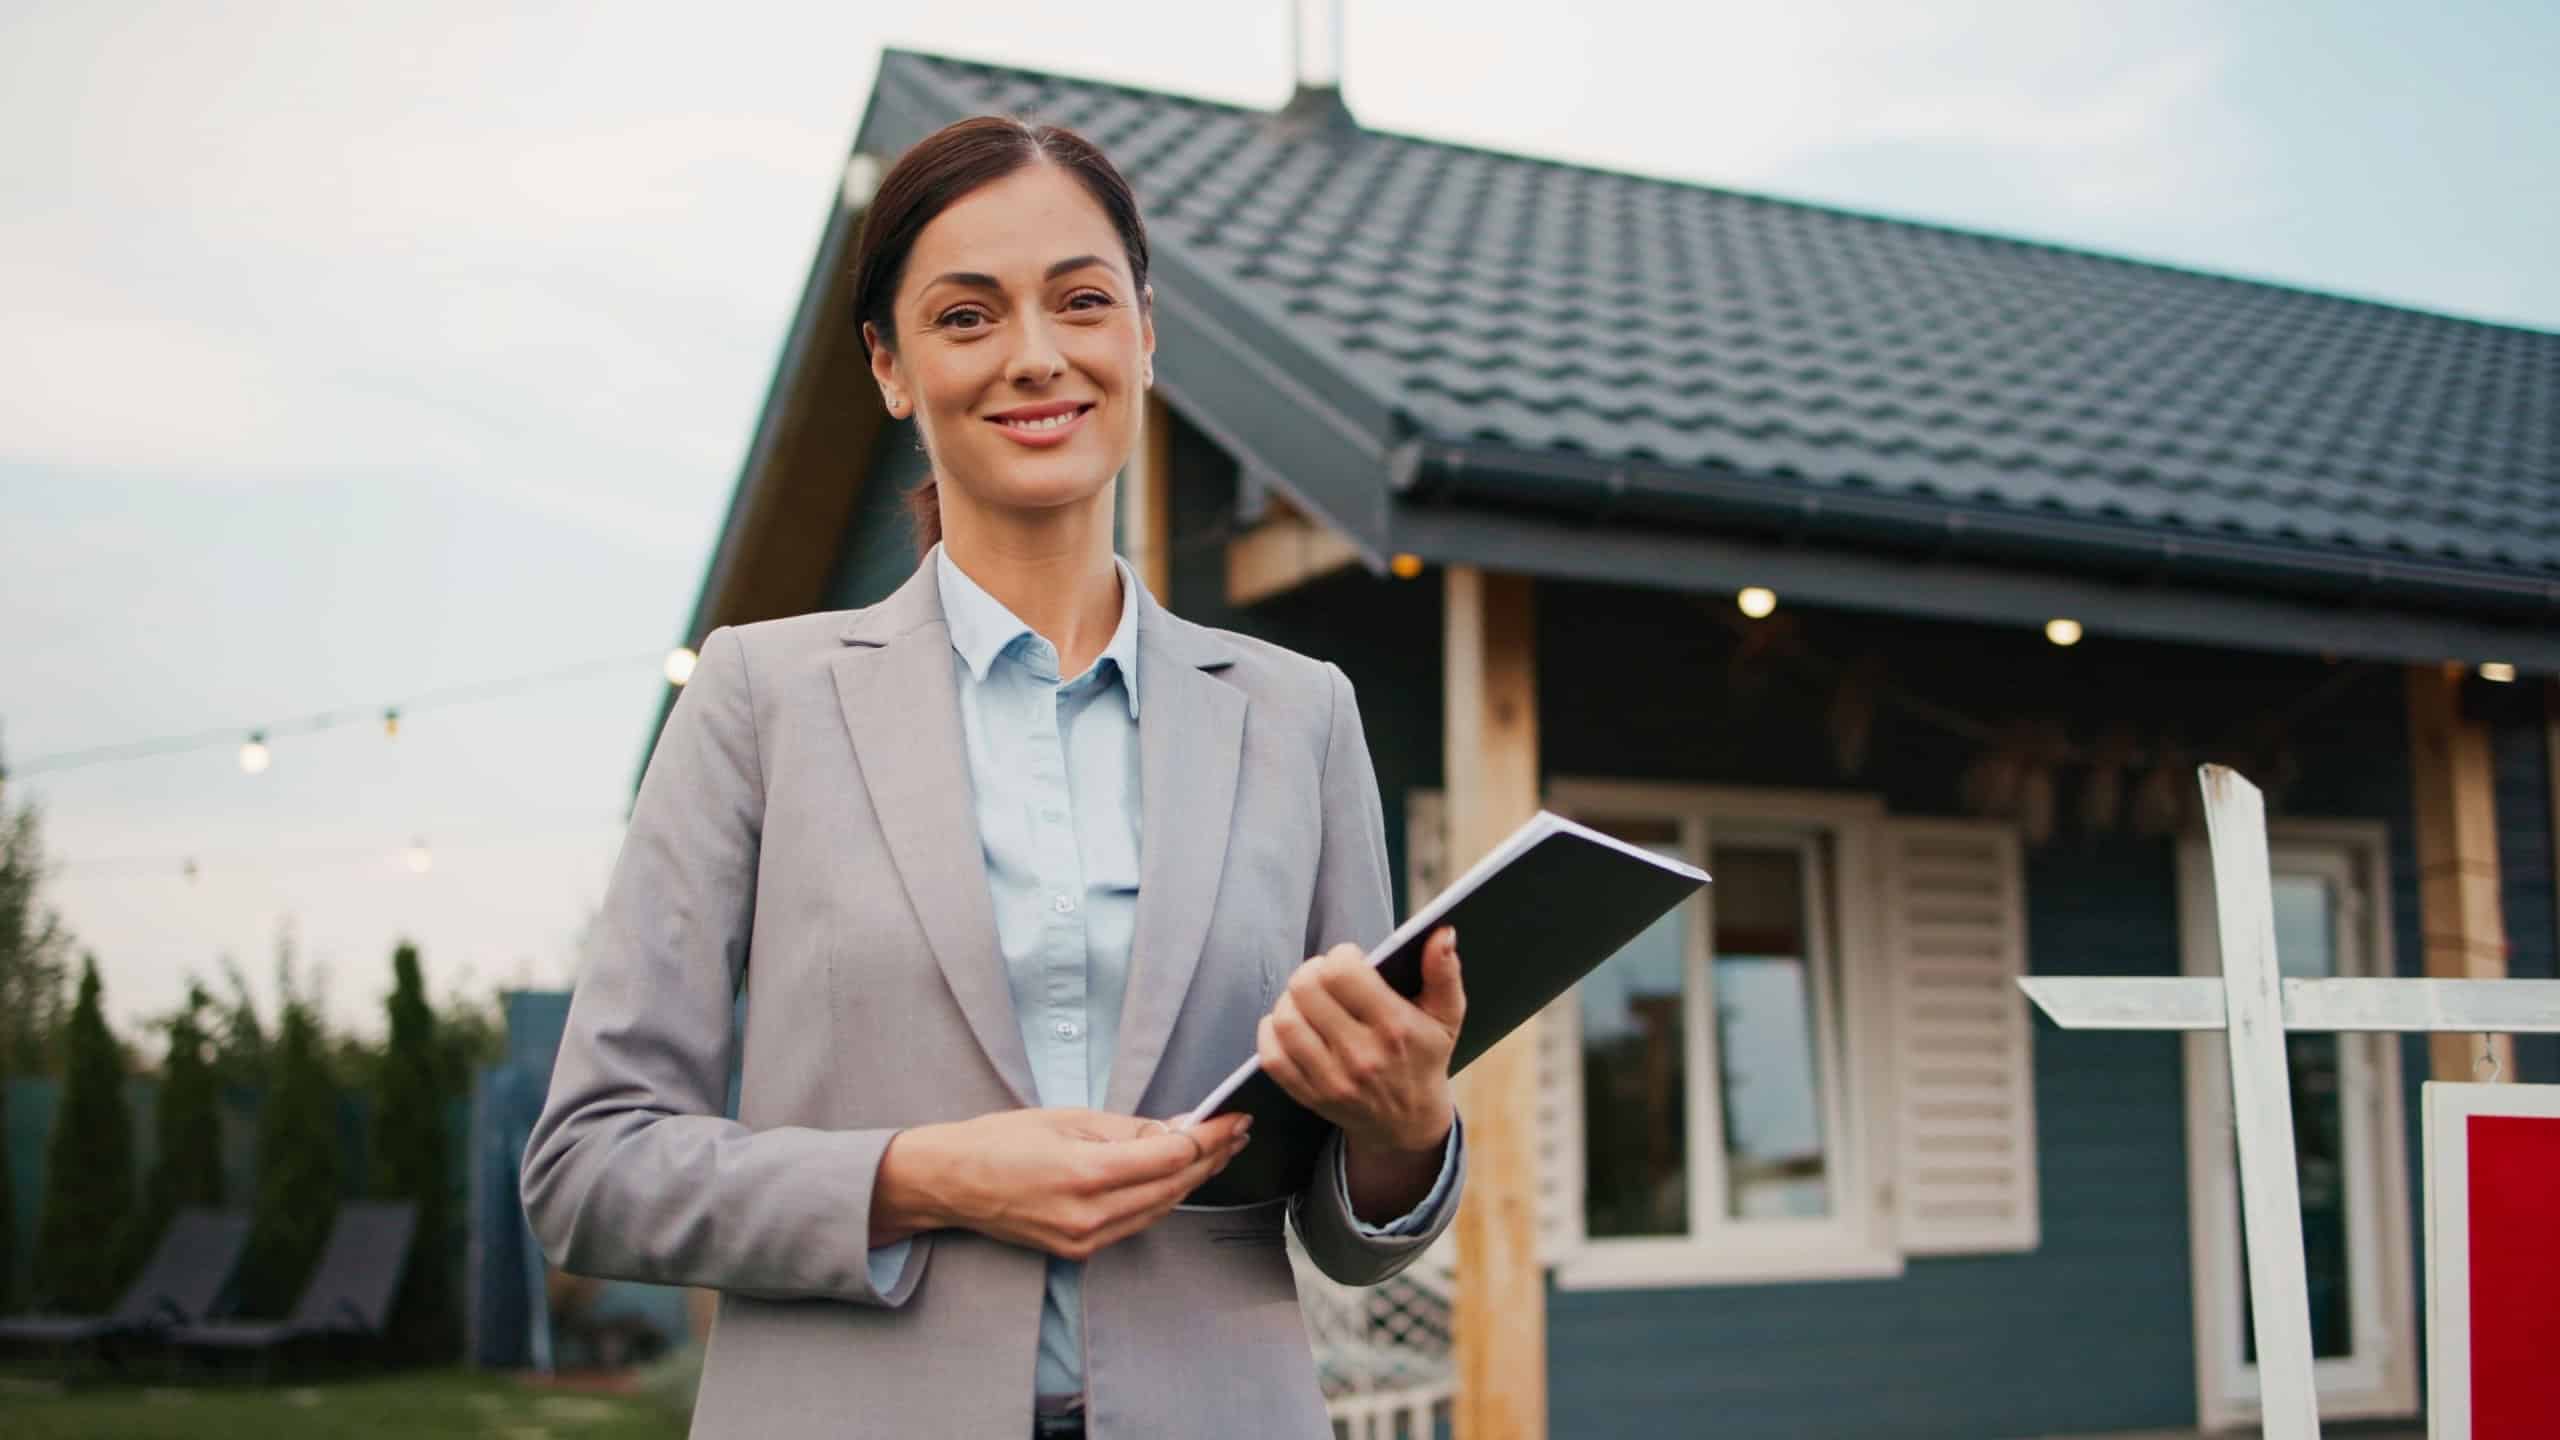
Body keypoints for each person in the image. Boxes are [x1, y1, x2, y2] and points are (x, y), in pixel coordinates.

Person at [520, 114, 1468, 1440]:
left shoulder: (1299, 718)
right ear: (891, 368)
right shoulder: (759, 699)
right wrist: (922, 1177)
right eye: (967, 317)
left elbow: (1350, 1235)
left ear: (1143, 336)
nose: (1037, 356)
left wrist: (1407, 1127)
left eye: (1081, 301)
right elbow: (590, 1168)